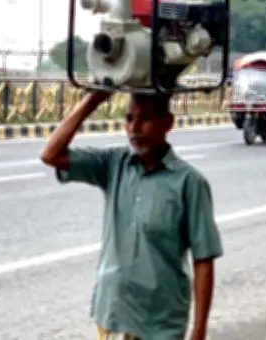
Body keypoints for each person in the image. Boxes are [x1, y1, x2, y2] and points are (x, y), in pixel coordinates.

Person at [40, 89, 223, 340]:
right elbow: (51, 154)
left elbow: (203, 260)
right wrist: (93, 100)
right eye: (128, 119)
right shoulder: (114, 164)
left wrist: (199, 330)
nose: (134, 128)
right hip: (115, 317)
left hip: (161, 325)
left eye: (144, 119)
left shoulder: (189, 183)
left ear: (167, 123)